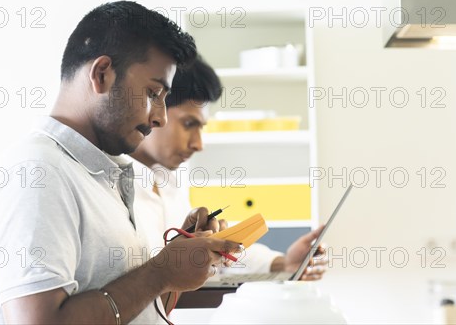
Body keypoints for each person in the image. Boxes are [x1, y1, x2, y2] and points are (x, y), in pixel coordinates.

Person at [0, 1, 240, 324]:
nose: (160, 117)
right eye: (154, 93)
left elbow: (140, 310)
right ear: (102, 74)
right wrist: (160, 272)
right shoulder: (36, 173)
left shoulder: (107, 172)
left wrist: (179, 263)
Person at [130, 56, 328, 280]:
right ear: (155, 109)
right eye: (188, 124)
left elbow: (218, 255)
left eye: (201, 127)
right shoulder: (115, 187)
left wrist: (284, 263)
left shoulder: (168, 185)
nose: (198, 144)